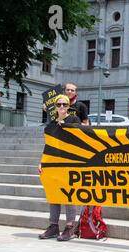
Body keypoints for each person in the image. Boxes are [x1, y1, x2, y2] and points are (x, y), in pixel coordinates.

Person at [38, 95, 81, 241]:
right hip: (53, 163)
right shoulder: (50, 125)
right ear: (55, 106)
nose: (62, 107)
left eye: (65, 104)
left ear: (69, 106)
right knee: (54, 195)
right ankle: (53, 226)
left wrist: (66, 126)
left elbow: (80, 136)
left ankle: (70, 227)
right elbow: (48, 145)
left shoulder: (73, 120)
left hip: (69, 162)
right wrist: (42, 162)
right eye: (59, 104)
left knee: (69, 195)